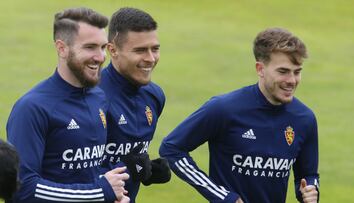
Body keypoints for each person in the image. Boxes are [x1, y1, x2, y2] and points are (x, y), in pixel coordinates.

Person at [160, 27, 319, 203]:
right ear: (260, 69)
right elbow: (172, 148)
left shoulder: (304, 119)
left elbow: (308, 175)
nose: (291, 81)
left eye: (297, 72)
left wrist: (311, 190)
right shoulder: (224, 109)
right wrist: (223, 197)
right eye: (283, 71)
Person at [6, 7, 130, 203]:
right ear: (62, 48)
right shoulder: (31, 108)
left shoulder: (99, 97)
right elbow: (22, 189)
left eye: (103, 47)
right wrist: (99, 193)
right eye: (90, 47)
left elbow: (93, 169)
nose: (100, 57)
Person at [99, 7, 170, 203]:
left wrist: (145, 172)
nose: (150, 58)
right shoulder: (92, 97)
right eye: (140, 50)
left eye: (154, 49)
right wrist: (129, 168)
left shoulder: (155, 96)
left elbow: (130, 155)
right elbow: (70, 170)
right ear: (112, 49)